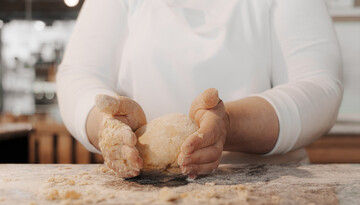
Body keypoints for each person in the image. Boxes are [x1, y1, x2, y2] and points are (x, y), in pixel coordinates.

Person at [56, 0, 343, 178]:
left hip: (268, 194)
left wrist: (228, 124)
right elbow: (79, 74)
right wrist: (106, 125)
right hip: (145, 189)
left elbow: (320, 85)